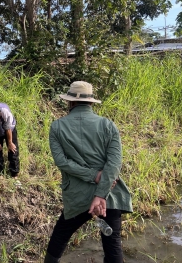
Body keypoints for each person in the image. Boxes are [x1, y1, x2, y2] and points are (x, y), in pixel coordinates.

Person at [44, 81, 133, 263]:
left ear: (70, 103)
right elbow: (114, 162)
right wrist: (101, 193)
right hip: (109, 196)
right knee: (113, 247)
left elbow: (62, 162)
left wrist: (93, 176)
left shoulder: (57, 127)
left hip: (78, 197)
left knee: (59, 238)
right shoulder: (108, 126)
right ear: (91, 102)